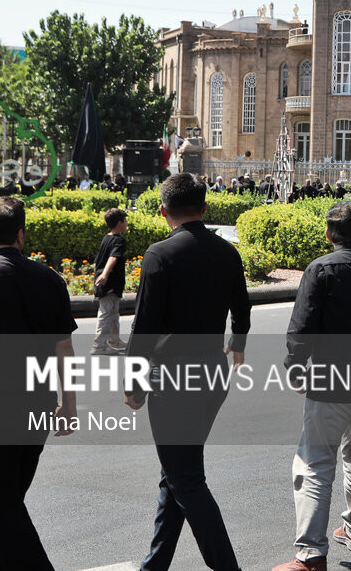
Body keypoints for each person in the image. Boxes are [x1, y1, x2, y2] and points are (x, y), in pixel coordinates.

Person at [125, 173, 250, 571]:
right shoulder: (226, 251)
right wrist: (238, 343)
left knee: (186, 478)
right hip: (212, 373)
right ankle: (154, 564)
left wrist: (133, 381)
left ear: (163, 211)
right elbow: (242, 307)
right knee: (177, 472)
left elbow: (144, 324)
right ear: (205, 208)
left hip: (172, 378)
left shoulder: (160, 254)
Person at [273, 202, 351, 571]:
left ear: (329, 234)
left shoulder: (321, 269)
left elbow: (302, 326)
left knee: (314, 463)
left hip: (330, 378)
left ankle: (310, 554)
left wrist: (295, 367)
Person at [0, 197, 77, 570]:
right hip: (36, 409)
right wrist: (68, 405)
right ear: (21, 236)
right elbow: (64, 349)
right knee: (2, 506)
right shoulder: (50, 280)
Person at [91, 207, 129, 356]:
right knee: (106, 314)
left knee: (113, 312)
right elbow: (113, 257)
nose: (126, 223)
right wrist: (105, 275)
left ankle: (114, 340)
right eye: (125, 221)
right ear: (119, 223)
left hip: (105, 282)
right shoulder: (119, 240)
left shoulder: (106, 238)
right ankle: (99, 346)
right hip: (110, 283)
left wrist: (98, 275)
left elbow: (98, 260)